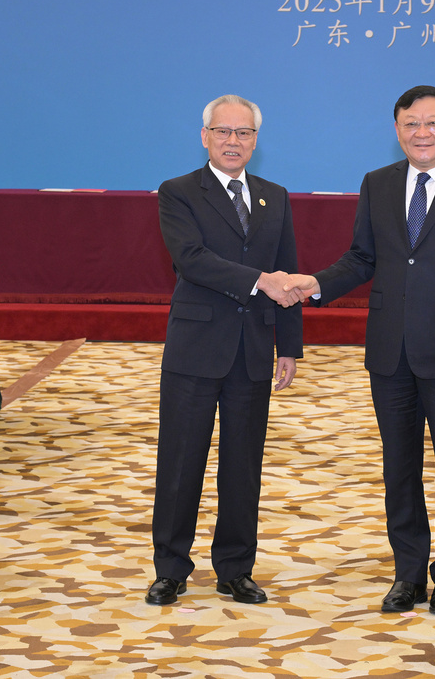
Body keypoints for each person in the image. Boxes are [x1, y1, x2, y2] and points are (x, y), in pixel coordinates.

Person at [284, 85, 435, 616]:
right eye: (411, 124)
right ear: (397, 130)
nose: (422, 133)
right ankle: (408, 573)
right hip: (390, 352)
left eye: (433, 123)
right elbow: (362, 257)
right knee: (399, 467)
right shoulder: (378, 183)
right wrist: (315, 284)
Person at [144, 94, 304, 608]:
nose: (233, 141)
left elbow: (288, 270)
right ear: (205, 136)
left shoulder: (275, 197)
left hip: (253, 348)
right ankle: (171, 569)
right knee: (180, 461)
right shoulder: (178, 192)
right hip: (195, 348)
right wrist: (260, 280)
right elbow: (191, 259)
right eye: (223, 131)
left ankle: (235, 569)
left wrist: (289, 345)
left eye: (244, 133)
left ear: (256, 140)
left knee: (243, 465)